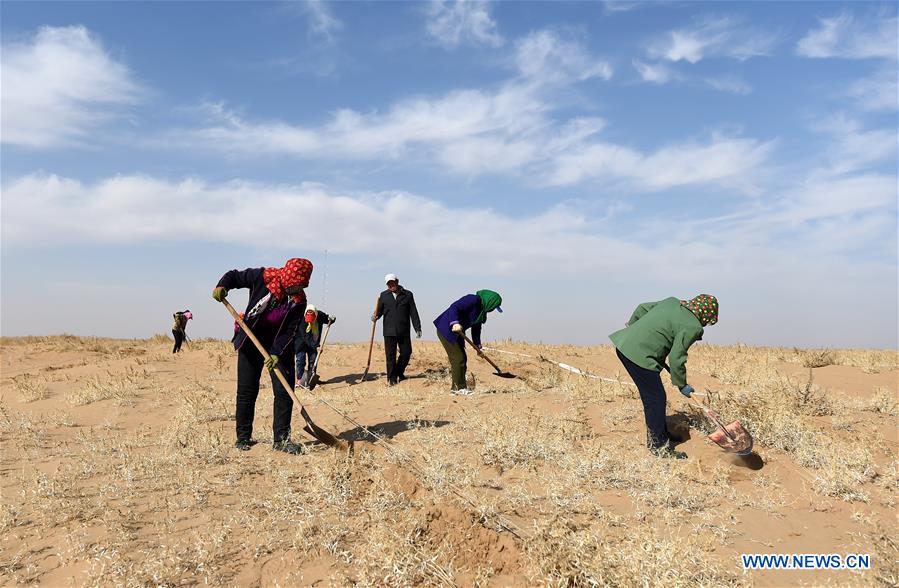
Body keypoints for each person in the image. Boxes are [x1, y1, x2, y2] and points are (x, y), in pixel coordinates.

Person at [212, 258, 313, 453]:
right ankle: (243, 437)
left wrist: (276, 352)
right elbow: (235, 276)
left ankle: (281, 439)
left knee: (284, 393)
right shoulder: (262, 277)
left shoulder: (300, 301)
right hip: (251, 342)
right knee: (247, 391)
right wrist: (223, 285)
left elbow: (290, 330)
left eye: (302, 285)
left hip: (280, 348)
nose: (297, 289)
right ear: (288, 276)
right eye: (296, 285)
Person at [609, 294, 719, 459]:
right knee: (655, 398)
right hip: (639, 356)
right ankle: (658, 445)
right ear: (707, 316)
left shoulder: (671, 303)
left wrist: (633, 327)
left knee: (656, 396)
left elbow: (642, 307)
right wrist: (681, 384)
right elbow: (676, 357)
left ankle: (662, 434)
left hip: (624, 345)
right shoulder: (692, 326)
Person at [433, 290, 502, 395]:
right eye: (493, 307)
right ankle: (458, 389)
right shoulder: (473, 299)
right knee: (458, 358)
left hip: (459, 332)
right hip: (447, 329)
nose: (492, 310)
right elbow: (454, 307)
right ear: (490, 302)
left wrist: (478, 346)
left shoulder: (481, 313)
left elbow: (476, 329)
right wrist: (454, 323)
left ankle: (457, 388)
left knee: (462, 358)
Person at [373, 274, 422, 386]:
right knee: (390, 356)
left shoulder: (408, 295)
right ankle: (391, 378)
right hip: (389, 331)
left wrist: (417, 328)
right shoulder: (383, 296)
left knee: (406, 353)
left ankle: (399, 372)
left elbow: (413, 312)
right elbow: (379, 312)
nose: (391, 285)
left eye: (393, 282)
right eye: (388, 284)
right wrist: (375, 316)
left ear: (397, 281)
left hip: (403, 330)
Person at [294, 304, 335, 387]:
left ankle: (311, 379)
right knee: (300, 361)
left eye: (312, 320)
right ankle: (300, 380)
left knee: (313, 360)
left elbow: (328, 319)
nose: (310, 322)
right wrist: (316, 346)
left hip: (313, 341)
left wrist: (332, 319)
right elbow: (306, 337)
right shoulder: (302, 320)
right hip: (301, 343)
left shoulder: (320, 315)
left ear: (315, 315)